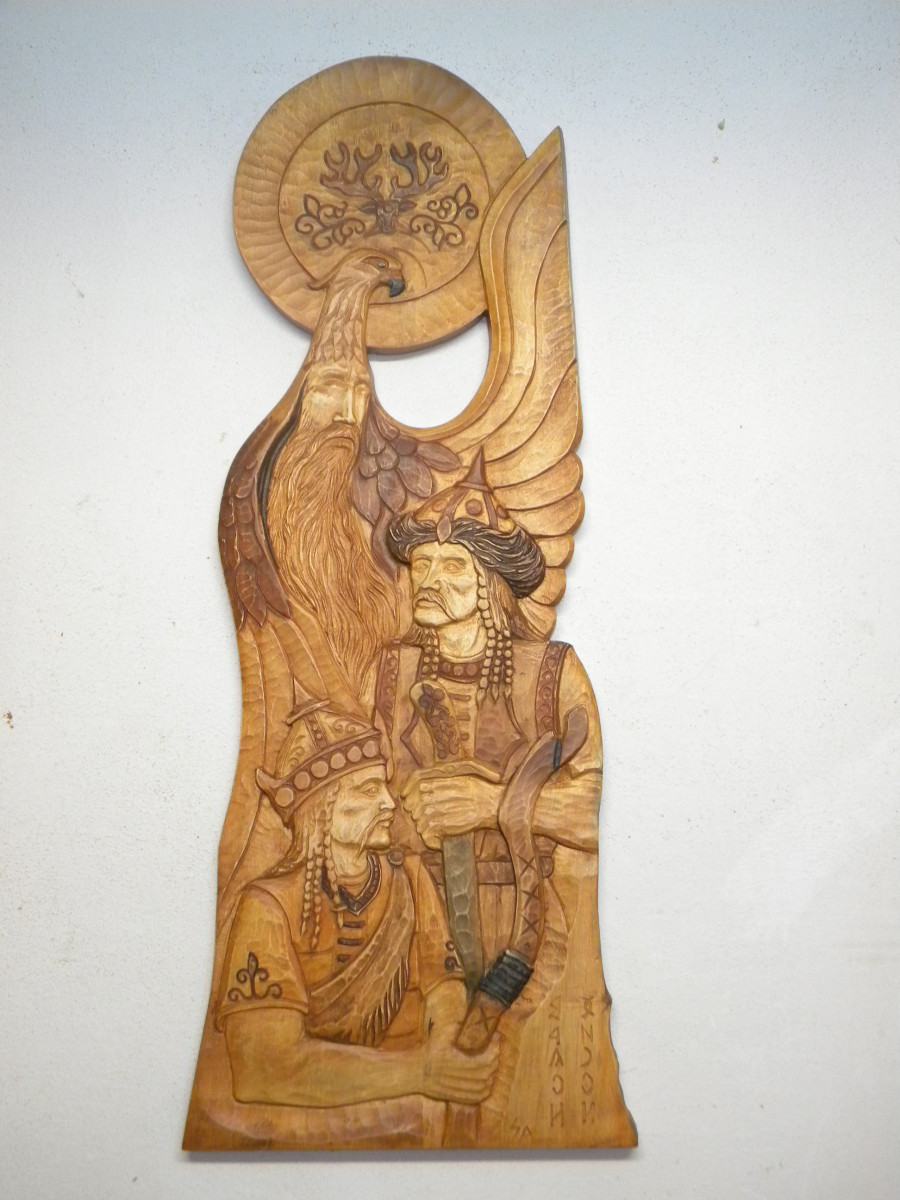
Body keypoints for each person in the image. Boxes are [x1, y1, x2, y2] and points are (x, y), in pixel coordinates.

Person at [367, 452, 636, 1146]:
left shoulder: (552, 674)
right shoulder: (390, 673)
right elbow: (362, 796)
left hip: (534, 917)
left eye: (453, 567)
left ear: (491, 583)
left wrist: (491, 806)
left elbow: (585, 810)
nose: (430, 580)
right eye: (422, 565)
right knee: (434, 1100)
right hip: (418, 917)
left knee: (518, 1093)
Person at [209, 694, 498, 1141]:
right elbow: (261, 1068)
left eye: (383, 787)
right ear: (321, 808)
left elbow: (444, 986)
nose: (389, 803)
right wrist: (419, 1072)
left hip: (415, 1115)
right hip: (302, 1130)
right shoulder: (267, 906)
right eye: (366, 791)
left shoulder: (407, 877)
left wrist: (444, 1049)